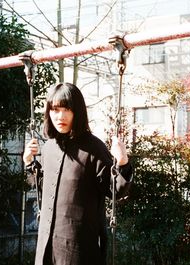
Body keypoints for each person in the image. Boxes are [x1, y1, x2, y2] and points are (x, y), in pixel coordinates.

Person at [23, 82, 132, 265]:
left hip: (79, 248)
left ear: (78, 112)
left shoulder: (94, 149)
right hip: (47, 244)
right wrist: (28, 162)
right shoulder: (49, 147)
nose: (60, 116)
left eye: (67, 109)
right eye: (55, 109)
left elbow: (116, 191)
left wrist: (122, 163)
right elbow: (43, 186)